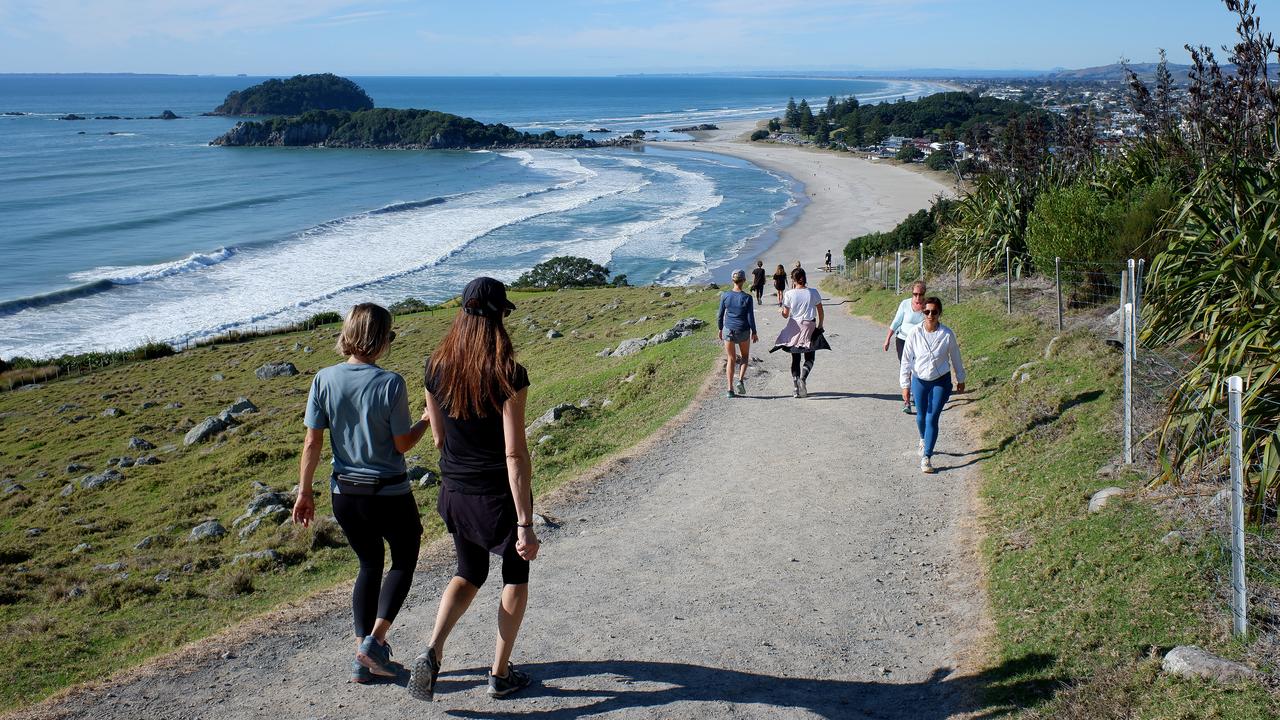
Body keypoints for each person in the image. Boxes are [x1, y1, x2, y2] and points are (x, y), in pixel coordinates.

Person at [409, 277, 541, 702]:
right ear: (500, 316)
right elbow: (515, 455)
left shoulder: (435, 366)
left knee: (468, 573)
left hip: (454, 491)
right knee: (515, 574)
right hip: (495, 497)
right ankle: (500, 675)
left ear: (462, 314)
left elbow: (438, 438)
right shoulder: (508, 374)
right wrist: (524, 523)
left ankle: (432, 652)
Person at [293, 303, 431, 684]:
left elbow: (312, 442)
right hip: (388, 493)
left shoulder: (323, 379)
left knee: (369, 565)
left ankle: (361, 659)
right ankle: (375, 643)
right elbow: (403, 445)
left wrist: (305, 492)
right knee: (403, 560)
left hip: (345, 495)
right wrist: (425, 419)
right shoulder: (390, 383)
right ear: (381, 339)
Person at [899, 296, 966, 474]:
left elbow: (956, 357)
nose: (930, 315)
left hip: (941, 381)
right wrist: (905, 385)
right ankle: (923, 439)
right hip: (919, 380)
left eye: (934, 312)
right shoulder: (914, 333)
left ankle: (927, 457)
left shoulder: (946, 334)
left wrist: (961, 378)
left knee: (932, 417)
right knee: (921, 415)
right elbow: (906, 360)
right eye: (927, 312)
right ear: (922, 313)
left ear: (939, 313)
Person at [771, 267, 828, 398]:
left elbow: (785, 315)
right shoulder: (813, 292)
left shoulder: (789, 294)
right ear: (804, 278)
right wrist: (820, 325)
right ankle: (803, 378)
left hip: (794, 326)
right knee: (810, 357)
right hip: (809, 325)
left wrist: (781, 311)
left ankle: (796, 387)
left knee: (795, 358)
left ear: (793, 279)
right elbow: (820, 311)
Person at [884, 280, 928, 414]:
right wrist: (887, 339)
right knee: (906, 369)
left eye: (920, 294)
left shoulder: (928, 306)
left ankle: (917, 394)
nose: (917, 297)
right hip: (902, 340)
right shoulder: (905, 304)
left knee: (917, 369)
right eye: (915, 294)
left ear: (924, 294)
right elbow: (896, 321)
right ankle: (907, 401)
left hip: (919, 342)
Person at [718, 269, 758, 397]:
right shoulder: (747, 298)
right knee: (745, 356)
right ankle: (740, 380)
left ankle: (730, 390)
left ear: (732, 280)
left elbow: (720, 315)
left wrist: (720, 329)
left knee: (731, 359)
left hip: (728, 330)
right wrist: (754, 332)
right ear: (744, 280)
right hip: (743, 330)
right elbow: (750, 317)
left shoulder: (725, 295)